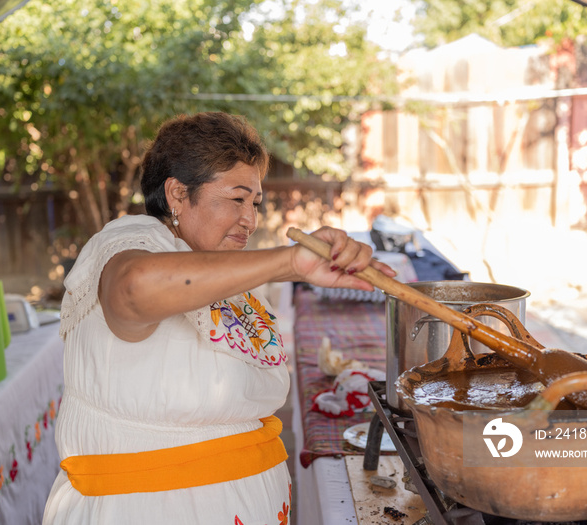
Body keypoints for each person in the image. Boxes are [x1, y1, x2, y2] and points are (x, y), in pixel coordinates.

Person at [42, 111, 396, 524]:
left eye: (256, 203)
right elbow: (133, 290)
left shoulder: (219, 269)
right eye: (237, 199)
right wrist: (290, 264)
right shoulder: (131, 239)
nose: (251, 219)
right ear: (176, 193)